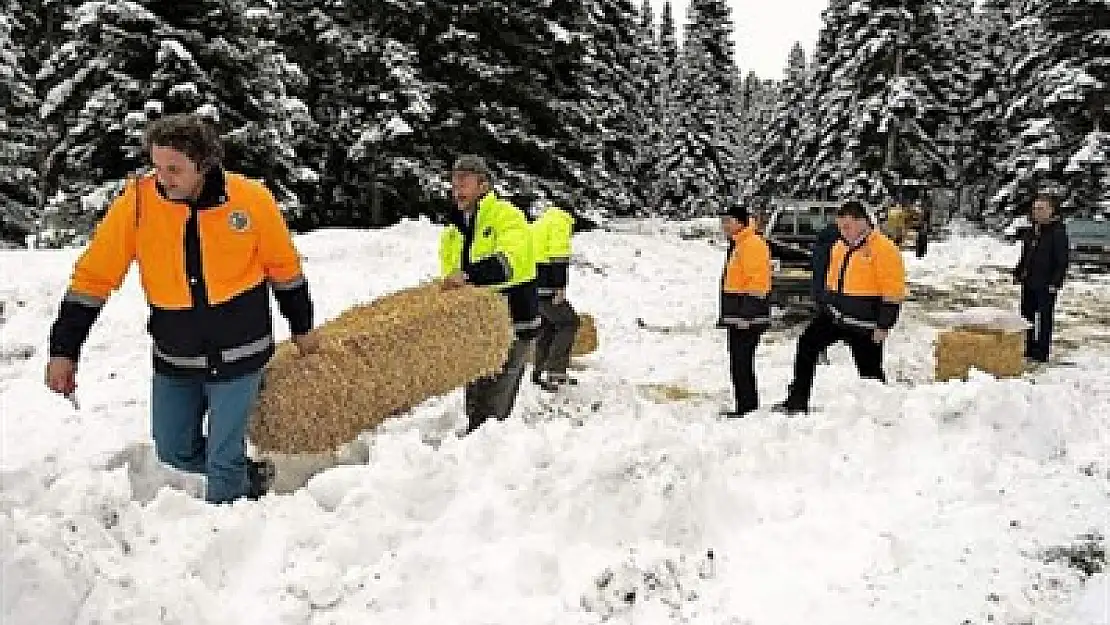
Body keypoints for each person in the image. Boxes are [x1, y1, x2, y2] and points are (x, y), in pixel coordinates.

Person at [44, 113, 318, 503]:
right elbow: (93, 278)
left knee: (223, 463)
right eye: (157, 166)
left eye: (174, 169)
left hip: (241, 351)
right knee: (174, 449)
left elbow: (284, 270)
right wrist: (64, 350)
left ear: (204, 165)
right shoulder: (136, 205)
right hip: (176, 355)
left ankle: (226, 542)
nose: (163, 178)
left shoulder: (251, 200)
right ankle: (248, 477)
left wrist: (303, 328)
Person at [774, 200, 906, 414]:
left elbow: (893, 291)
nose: (843, 232)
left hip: (865, 324)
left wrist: (884, 325)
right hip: (837, 318)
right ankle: (797, 401)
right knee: (807, 345)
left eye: (847, 226)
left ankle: (881, 413)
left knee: (870, 373)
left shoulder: (883, 249)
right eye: (840, 227)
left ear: (863, 222)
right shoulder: (839, 247)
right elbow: (832, 279)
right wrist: (826, 302)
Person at [440, 155, 540, 434]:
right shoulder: (453, 231)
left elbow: (513, 261)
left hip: (513, 321)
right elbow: (451, 279)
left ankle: (491, 459)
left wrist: (470, 275)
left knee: (498, 398)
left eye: (464, 182)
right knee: (475, 392)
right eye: (454, 182)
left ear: (484, 186)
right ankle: (474, 445)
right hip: (479, 327)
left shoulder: (506, 216)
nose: (456, 189)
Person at [718, 205, 772, 418]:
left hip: (747, 317)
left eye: (728, 221)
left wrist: (747, 314)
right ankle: (745, 405)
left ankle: (747, 408)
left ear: (740, 222)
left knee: (742, 362)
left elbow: (758, 282)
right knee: (738, 361)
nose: (724, 225)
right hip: (738, 316)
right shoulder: (740, 244)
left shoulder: (752, 245)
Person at [1013, 193, 1069, 363]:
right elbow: (1026, 255)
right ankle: (1028, 346)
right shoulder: (1032, 231)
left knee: (1044, 317)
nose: (1036, 212)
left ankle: (1042, 350)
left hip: (1046, 283)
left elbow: (1062, 260)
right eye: (1035, 209)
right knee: (1026, 315)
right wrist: (1019, 271)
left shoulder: (1057, 232)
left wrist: (1056, 282)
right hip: (1029, 280)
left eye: (1041, 209)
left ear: (1051, 211)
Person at [530, 203, 580, 392]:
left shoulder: (541, 222)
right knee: (569, 322)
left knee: (548, 326)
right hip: (546, 284)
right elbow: (558, 255)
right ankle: (554, 371)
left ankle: (539, 372)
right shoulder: (560, 222)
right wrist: (559, 286)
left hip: (532, 284)